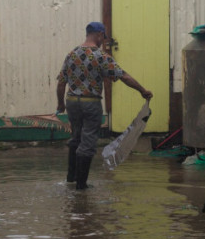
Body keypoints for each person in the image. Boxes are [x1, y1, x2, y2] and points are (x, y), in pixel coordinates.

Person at [56, 21, 153, 189]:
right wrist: (142, 90)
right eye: (103, 37)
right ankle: (81, 186)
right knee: (87, 142)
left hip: (71, 102)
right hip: (90, 103)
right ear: (99, 34)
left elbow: (61, 83)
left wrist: (60, 105)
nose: (103, 41)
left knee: (76, 138)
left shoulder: (71, 54)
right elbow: (123, 76)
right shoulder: (100, 56)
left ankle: (71, 178)